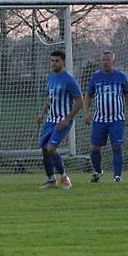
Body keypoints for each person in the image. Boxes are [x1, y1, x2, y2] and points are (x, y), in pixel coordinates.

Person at [83, 51, 128, 183]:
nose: (105, 62)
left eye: (108, 60)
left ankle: (117, 176)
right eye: (103, 60)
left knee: (117, 146)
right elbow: (88, 96)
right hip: (100, 119)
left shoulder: (121, 77)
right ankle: (98, 171)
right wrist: (87, 112)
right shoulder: (96, 77)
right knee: (95, 148)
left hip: (117, 119)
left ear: (113, 62)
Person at [36, 50, 83, 190]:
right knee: (45, 148)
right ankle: (51, 180)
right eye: (52, 61)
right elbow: (50, 99)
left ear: (63, 62)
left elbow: (80, 102)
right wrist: (42, 114)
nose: (54, 63)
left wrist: (67, 119)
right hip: (50, 120)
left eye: (57, 61)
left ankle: (64, 177)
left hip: (62, 121)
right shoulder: (51, 77)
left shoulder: (69, 80)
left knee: (51, 149)